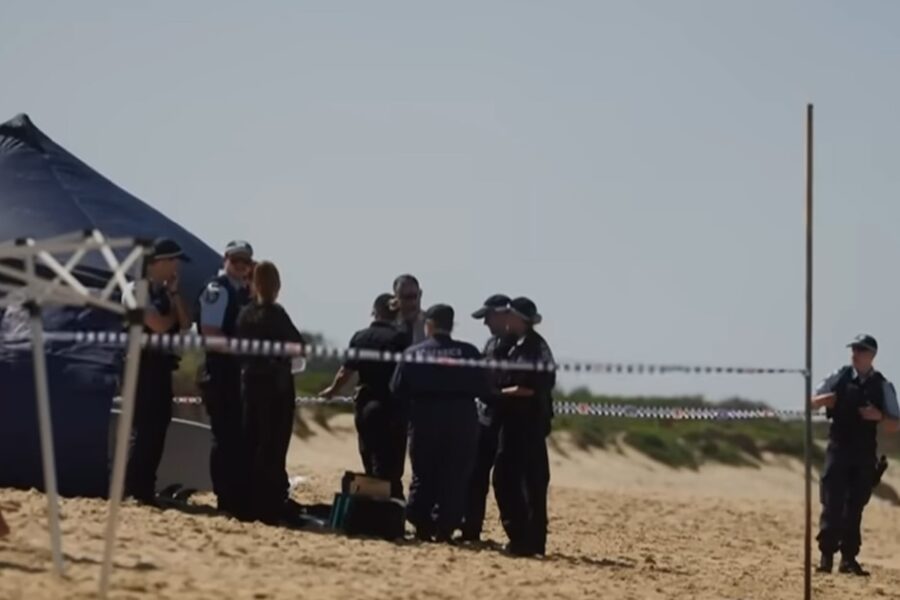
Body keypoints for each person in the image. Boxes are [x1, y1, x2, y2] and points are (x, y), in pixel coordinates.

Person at [390, 304, 485, 542]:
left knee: (423, 472)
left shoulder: (414, 352)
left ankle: (421, 525)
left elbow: (397, 388)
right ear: (451, 325)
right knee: (455, 475)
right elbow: (485, 388)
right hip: (462, 418)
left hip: (425, 417)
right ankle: (445, 527)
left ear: (429, 325)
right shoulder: (470, 352)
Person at [811, 334, 900, 576]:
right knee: (832, 502)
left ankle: (849, 559)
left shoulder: (882, 386)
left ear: (872, 355)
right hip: (838, 447)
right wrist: (824, 401)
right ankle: (826, 556)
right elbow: (812, 402)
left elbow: (896, 424)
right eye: (854, 349)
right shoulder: (838, 376)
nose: (855, 353)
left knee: (855, 506)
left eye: (861, 350)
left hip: (863, 453)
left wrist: (879, 416)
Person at [236, 261, 305, 525]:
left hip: (251, 386)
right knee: (273, 447)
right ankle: (269, 504)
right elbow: (298, 347)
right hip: (276, 389)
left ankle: (248, 503)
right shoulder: (277, 314)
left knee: (251, 443)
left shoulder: (244, 315)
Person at [320, 293, 409, 498]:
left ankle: (373, 506)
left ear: (374, 312)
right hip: (392, 407)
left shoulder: (360, 337)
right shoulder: (400, 338)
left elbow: (346, 372)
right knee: (391, 466)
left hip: (366, 405)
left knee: (370, 458)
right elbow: (407, 373)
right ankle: (390, 508)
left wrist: (332, 391)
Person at [124, 238, 191, 505]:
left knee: (158, 429)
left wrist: (175, 295)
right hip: (139, 367)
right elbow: (158, 325)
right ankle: (132, 489)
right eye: (172, 260)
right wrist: (172, 317)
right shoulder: (134, 290)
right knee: (142, 430)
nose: (176, 266)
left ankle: (145, 488)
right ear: (158, 263)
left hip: (162, 368)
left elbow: (185, 324)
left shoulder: (165, 294)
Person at [492, 297, 556, 557]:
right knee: (517, 480)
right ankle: (525, 539)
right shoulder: (514, 345)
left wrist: (499, 393)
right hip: (515, 421)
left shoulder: (534, 347)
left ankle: (526, 540)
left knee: (523, 481)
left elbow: (533, 386)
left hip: (527, 423)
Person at [196, 240, 254, 516]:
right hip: (220, 373)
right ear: (225, 259)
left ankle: (236, 495)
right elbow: (210, 332)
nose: (240, 265)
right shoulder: (217, 291)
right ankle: (224, 498)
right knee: (224, 438)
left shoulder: (243, 291)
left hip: (238, 375)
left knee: (238, 439)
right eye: (236, 260)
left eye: (245, 261)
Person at [461, 294, 513, 542]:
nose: (485, 323)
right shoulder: (491, 344)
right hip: (485, 419)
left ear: (504, 314)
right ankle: (471, 530)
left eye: (488, 317)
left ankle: (518, 537)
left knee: (507, 481)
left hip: (510, 422)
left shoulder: (521, 346)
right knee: (475, 477)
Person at [392, 274, 426, 346]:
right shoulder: (390, 325)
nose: (412, 302)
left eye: (414, 296)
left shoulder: (431, 324)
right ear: (396, 298)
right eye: (406, 297)